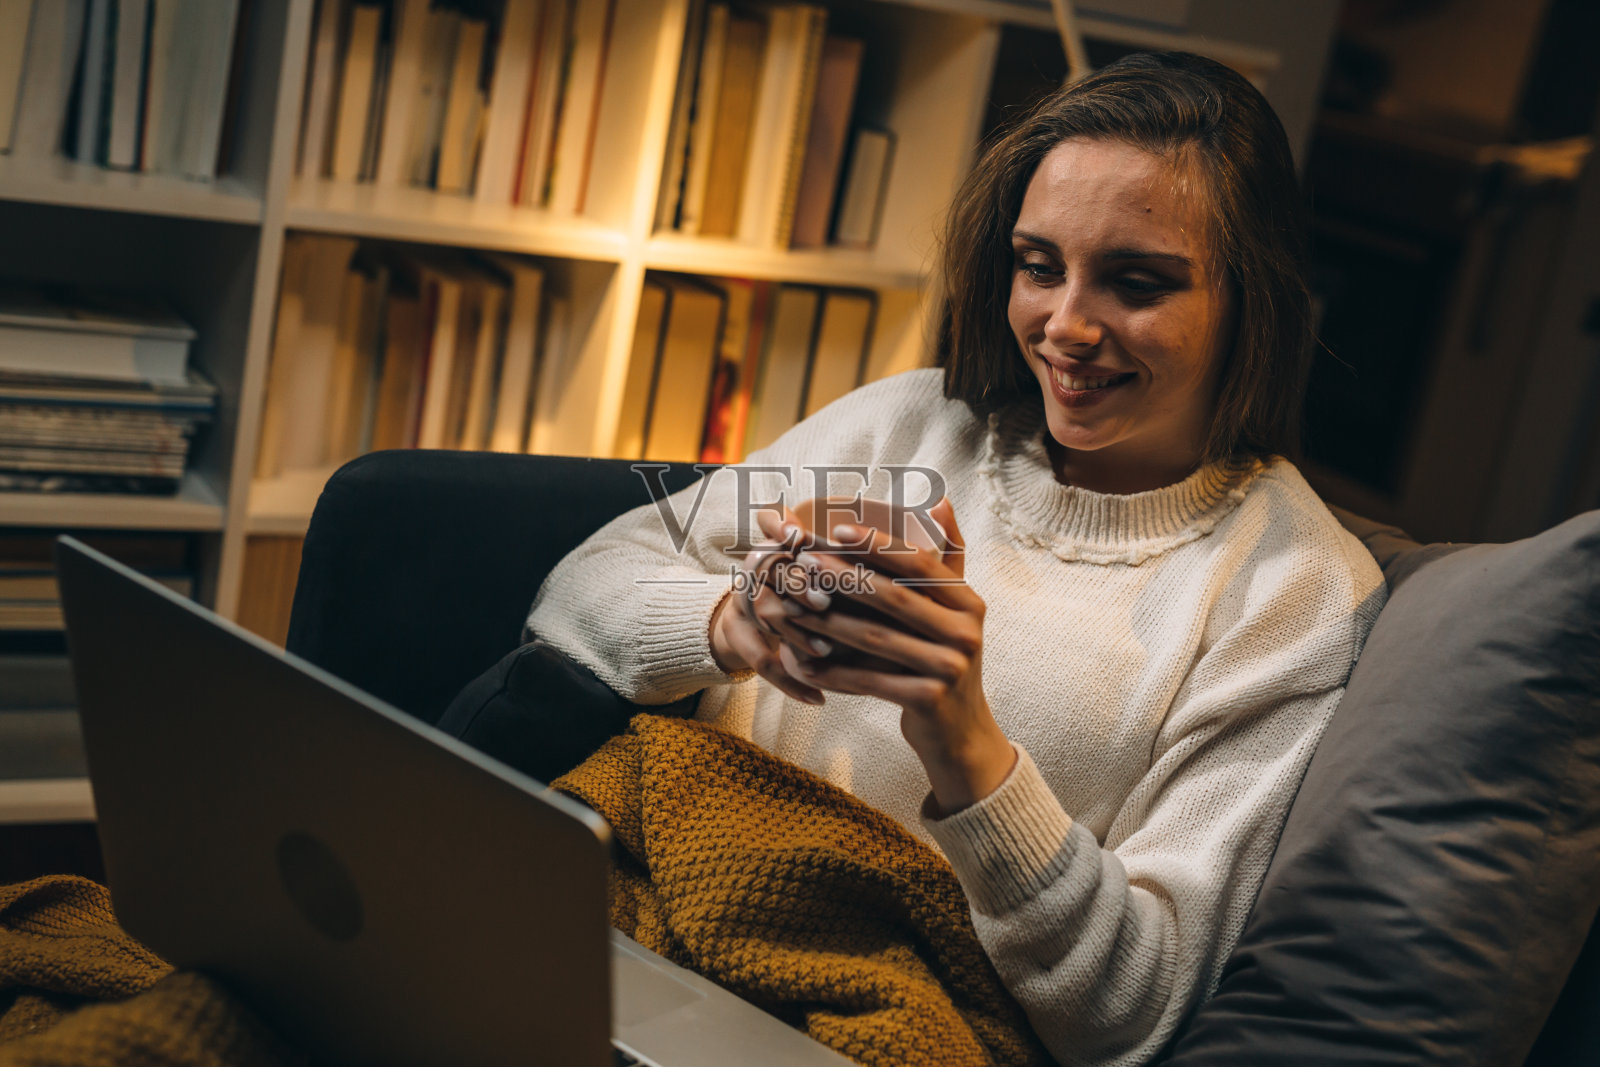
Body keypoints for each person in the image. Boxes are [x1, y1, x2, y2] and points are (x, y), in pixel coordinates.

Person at [526, 52, 1385, 1066]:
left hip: (884, 1015)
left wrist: (966, 745)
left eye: (1137, 281)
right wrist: (734, 623)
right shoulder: (911, 430)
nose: (1065, 325)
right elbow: (580, 589)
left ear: (1254, 298)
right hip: (638, 909)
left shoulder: (1286, 589)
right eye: (1037, 265)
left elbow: (1134, 1007)